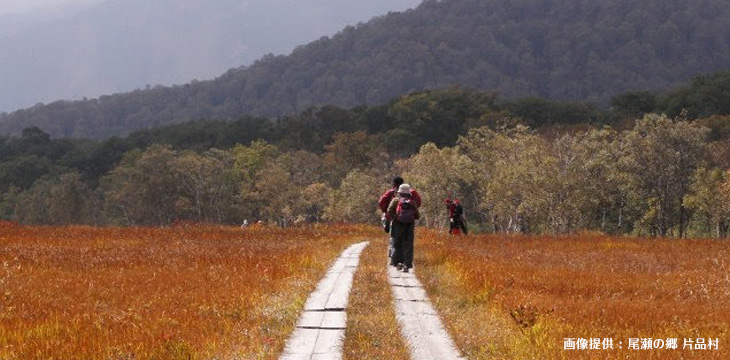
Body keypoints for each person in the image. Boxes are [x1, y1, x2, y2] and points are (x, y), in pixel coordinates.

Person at [378, 176, 421, 260]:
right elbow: (418, 202)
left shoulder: (391, 192)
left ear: (394, 183)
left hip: (394, 217)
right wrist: (411, 212)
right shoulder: (411, 192)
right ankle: (406, 259)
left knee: (394, 236)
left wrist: (386, 212)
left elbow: (381, 202)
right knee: (408, 239)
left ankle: (393, 254)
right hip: (409, 220)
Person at [387, 183, 420, 272]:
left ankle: (396, 262)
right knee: (408, 244)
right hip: (409, 225)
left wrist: (395, 217)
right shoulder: (412, 202)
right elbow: (418, 215)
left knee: (396, 243)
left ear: (400, 192)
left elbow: (389, 211)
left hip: (397, 224)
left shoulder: (395, 200)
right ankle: (407, 264)